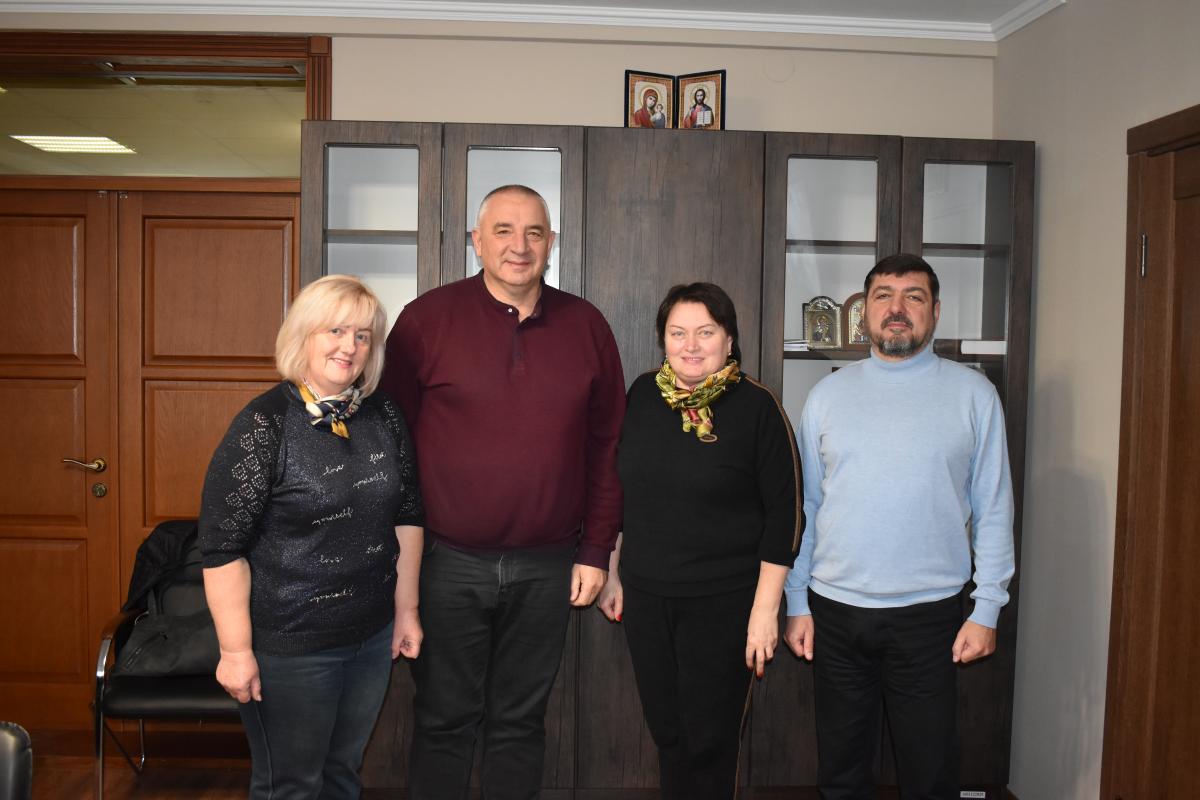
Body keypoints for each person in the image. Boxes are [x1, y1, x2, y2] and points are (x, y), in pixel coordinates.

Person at [381, 184, 625, 799]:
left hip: (550, 564)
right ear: (477, 241)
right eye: (504, 231)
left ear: (551, 243)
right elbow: (390, 443)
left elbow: (608, 447)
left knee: (519, 724)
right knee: (443, 721)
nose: (520, 246)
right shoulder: (425, 321)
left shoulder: (587, 326)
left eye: (534, 232)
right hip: (445, 562)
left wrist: (596, 550)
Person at [783, 253, 1016, 799]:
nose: (897, 308)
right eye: (883, 295)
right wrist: (796, 602)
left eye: (914, 296)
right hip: (835, 611)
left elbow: (993, 507)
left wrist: (987, 608)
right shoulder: (827, 396)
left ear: (935, 311)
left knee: (930, 774)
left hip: (930, 617)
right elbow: (805, 508)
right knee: (841, 774)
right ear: (865, 311)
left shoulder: (974, 395)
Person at [199, 274, 425, 800]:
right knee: (291, 786)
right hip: (291, 648)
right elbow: (222, 548)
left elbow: (408, 514)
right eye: (336, 331)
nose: (350, 346)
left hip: (370, 638)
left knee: (342, 775)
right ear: (304, 334)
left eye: (363, 335)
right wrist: (235, 651)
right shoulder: (264, 425)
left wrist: (406, 610)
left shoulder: (384, 415)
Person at [597, 282, 802, 800]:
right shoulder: (643, 395)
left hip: (725, 603)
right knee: (668, 733)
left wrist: (764, 613)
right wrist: (614, 572)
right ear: (662, 339)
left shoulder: (758, 408)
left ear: (729, 340)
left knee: (711, 741)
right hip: (647, 598)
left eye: (705, 332)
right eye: (678, 333)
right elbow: (622, 490)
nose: (691, 345)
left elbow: (785, 518)